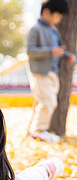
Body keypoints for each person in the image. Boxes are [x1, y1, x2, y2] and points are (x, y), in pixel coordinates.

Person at [26, 0, 75, 142]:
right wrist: (50, 51)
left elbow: (59, 50)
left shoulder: (54, 30)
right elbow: (30, 50)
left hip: (53, 73)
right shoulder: (35, 29)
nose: (59, 20)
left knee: (47, 101)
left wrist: (67, 55)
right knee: (48, 102)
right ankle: (38, 131)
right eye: (57, 16)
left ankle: (38, 130)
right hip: (40, 72)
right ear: (46, 12)